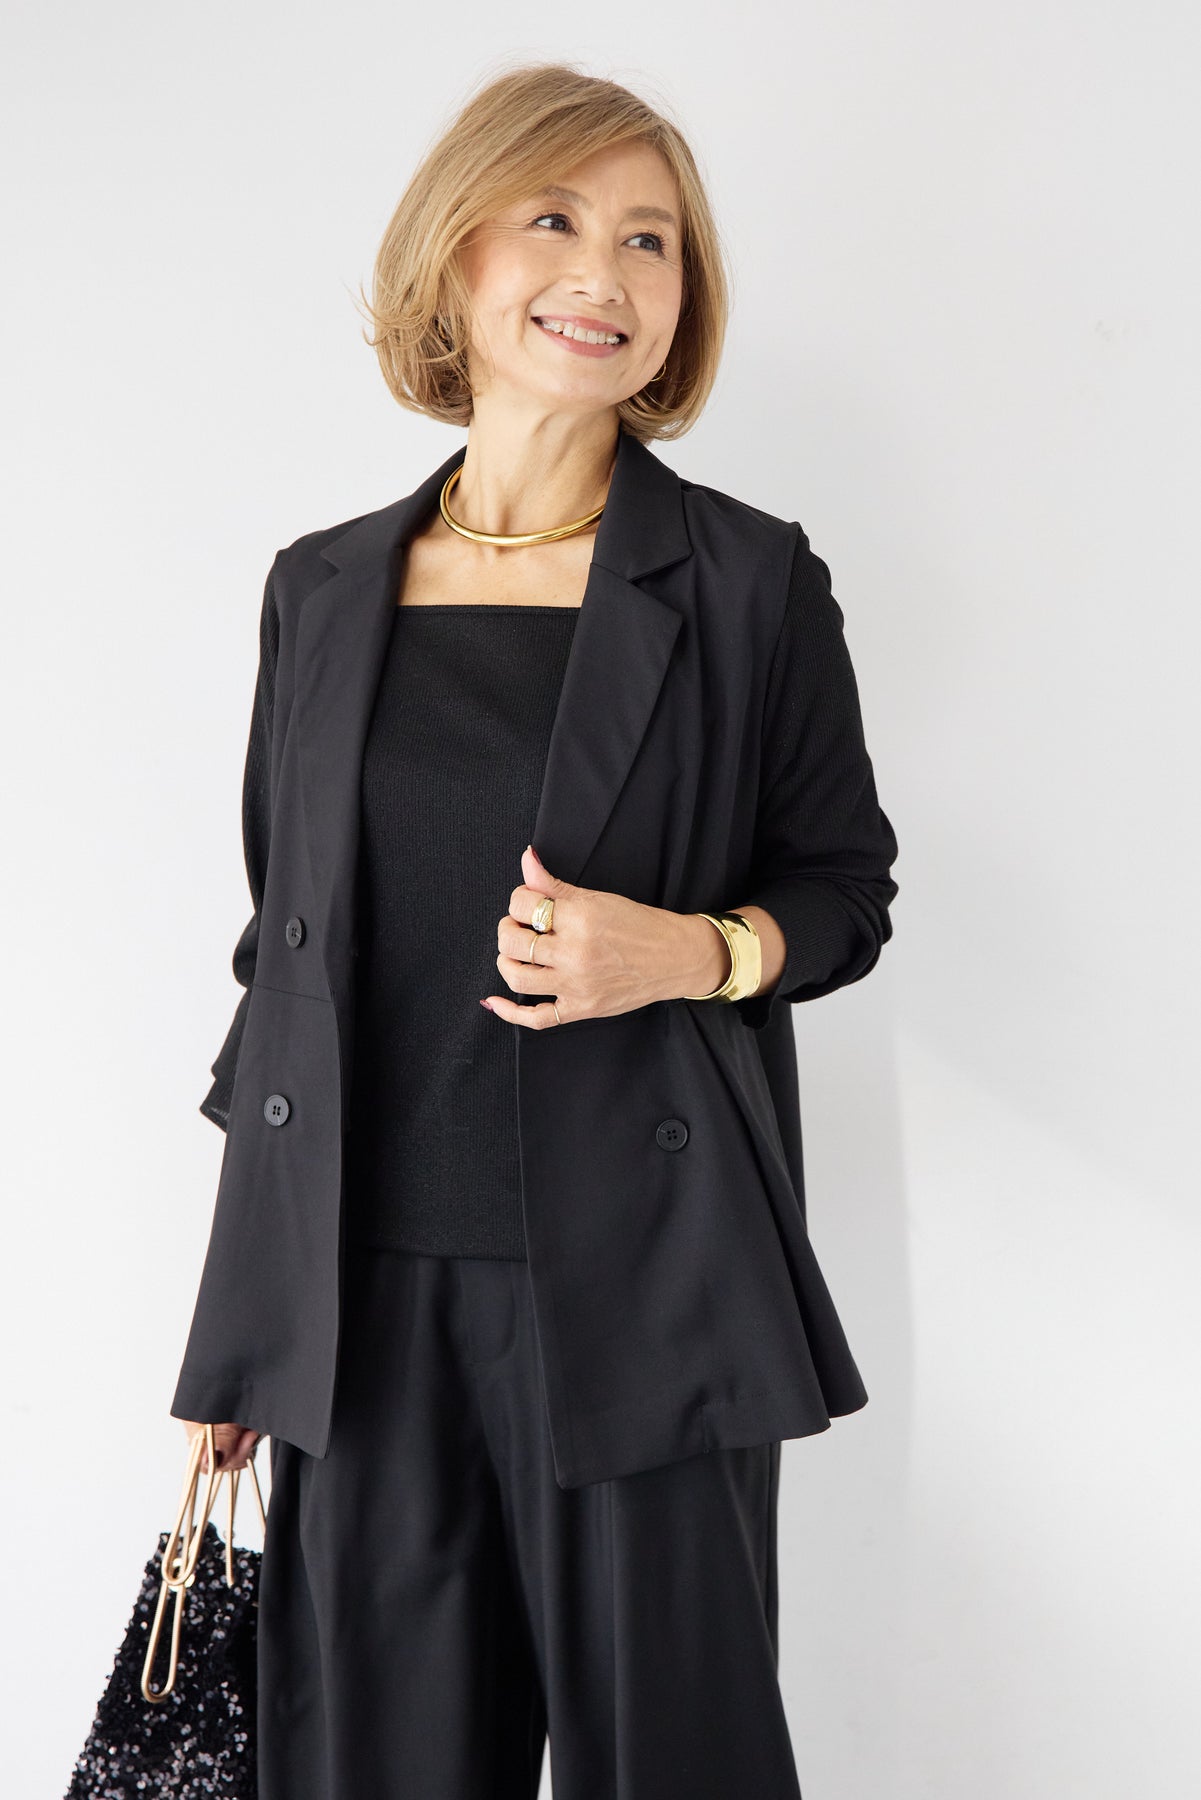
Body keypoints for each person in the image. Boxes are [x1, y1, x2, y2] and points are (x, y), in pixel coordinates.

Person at [174, 60, 899, 1800]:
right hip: (358, 1306)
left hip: (645, 1290)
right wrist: (240, 1328)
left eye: (650, 240)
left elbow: (841, 888)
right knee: (370, 1766)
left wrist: (690, 952)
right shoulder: (322, 587)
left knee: (674, 1761)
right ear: (454, 255)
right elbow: (280, 965)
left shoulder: (746, 582)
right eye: (556, 219)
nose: (605, 273)